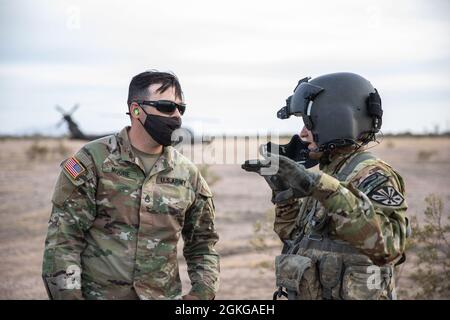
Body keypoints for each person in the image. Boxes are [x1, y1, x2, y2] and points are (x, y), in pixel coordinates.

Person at [42, 70, 220, 300]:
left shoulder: (188, 174)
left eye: (180, 108)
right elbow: (63, 241)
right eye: (166, 106)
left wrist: (201, 295)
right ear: (136, 110)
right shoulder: (93, 161)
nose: (176, 115)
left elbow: (203, 245)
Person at [243, 72, 409, 300]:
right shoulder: (330, 174)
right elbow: (296, 239)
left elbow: (390, 248)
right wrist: (284, 195)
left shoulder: (372, 175)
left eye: (309, 123)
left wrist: (323, 188)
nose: (302, 133)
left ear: (336, 120)